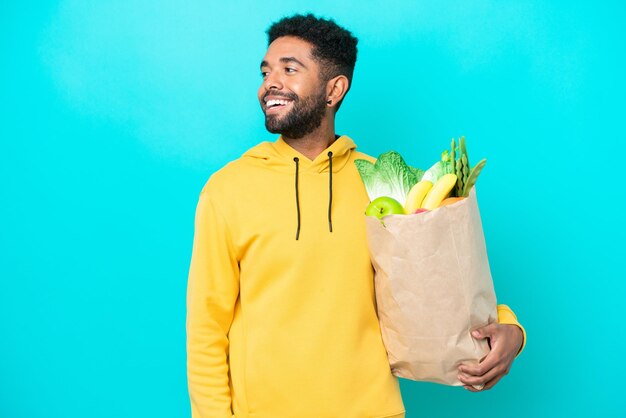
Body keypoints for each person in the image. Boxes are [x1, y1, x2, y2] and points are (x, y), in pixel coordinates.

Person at [186, 13, 526, 418]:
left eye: (289, 69)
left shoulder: (385, 182)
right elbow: (206, 328)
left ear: (334, 89)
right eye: (266, 71)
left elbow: (448, 276)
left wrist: (512, 330)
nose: (269, 84)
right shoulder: (228, 189)